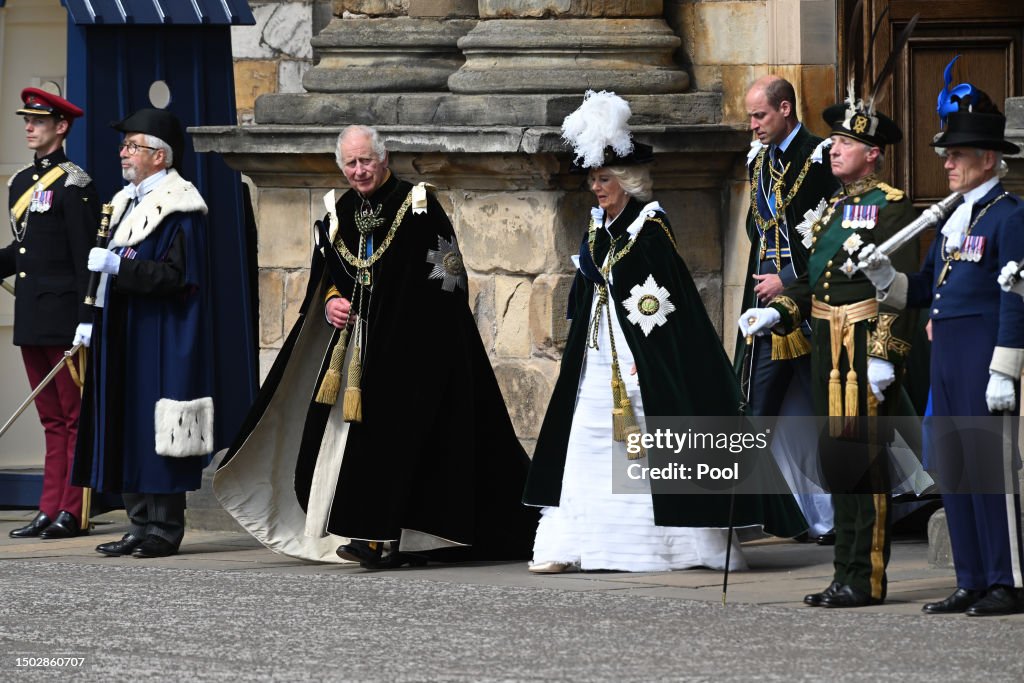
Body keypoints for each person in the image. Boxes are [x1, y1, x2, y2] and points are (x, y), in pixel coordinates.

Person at [214, 125, 538, 567]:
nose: (359, 170)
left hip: (414, 350)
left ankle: (382, 539)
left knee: (396, 442)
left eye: (366, 160)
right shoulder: (340, 211)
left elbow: (446, 279)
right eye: (350, 163)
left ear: (384, 160)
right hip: (353, 353)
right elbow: (327, 277)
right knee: (349, 440)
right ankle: (363, 532)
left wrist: (407, 331)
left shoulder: (418, 205)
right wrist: (332, 304)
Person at [524, 91, 806, 574]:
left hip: (638, 355)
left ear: (628, 180)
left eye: (605, 178)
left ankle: (669, 545)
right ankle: (572, 544)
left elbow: (663, 305)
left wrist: (643, 353)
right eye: (593, 178)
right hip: (596, 355)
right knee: (589, 441)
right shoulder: (599, 228)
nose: (597, 187)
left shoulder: (649, 228)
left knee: (650, 441)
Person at [740, 94, 919, 607]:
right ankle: (844, 571)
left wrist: (885, 353)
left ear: (873, 154)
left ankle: (867, 577)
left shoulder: (892, 205)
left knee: (863, 462)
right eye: (835, 141)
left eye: (846, 143)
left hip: (863, 346)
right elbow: (816, 281)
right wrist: (779, 312)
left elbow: (898, 288)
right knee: (836, 460)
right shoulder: (832, 209)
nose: (834, 150)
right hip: (826, 345)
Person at [862, 85, 1024, 616]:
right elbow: (925, 288)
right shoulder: (953, 216)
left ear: (988, 159)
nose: (947, 164)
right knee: (955, 469)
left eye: (956, 155)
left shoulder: (1009, 215)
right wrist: (886, 277)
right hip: (948, 352)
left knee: (990, 469)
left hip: (983, 350)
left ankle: (1007, 579)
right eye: (947, 155)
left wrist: (1005, 367)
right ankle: (972, 576)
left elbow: (1016, 292)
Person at [71, 108, 215, 559]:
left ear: (160, 156)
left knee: (157, 428)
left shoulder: (180, 205)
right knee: (126, 423)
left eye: (133, 146)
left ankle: (165, 528)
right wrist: (88, 318)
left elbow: (178, 276)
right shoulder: (123, 201)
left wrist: (122, 267)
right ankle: (137, 523)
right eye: (125, 146)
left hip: (159, 332)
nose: (124, 153)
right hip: (122, 330)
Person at [739, 76, 838, 542]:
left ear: (784, 109)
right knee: (763, 410)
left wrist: (791, 282)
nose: (753, 125)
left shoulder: (820, 157)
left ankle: (839, 515)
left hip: (811, 305)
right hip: (765, 308)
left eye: (759, 115)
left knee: (825, 410)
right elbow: (756, 231)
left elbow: (833, 241)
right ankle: (783, 512)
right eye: (751, 117)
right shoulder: (758, 161)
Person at [2, 88, 98, 540]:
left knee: (73, 417)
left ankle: (73, 510)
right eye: (27, 120)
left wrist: (87, 317)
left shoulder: (75, 184)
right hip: (32, 317)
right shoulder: (20, 182)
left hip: (63, 318)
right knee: (50, 420)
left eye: (38, 121)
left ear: (61, 127)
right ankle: (48, 507)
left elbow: (85, 257)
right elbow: (22, 251)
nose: (29, 127)